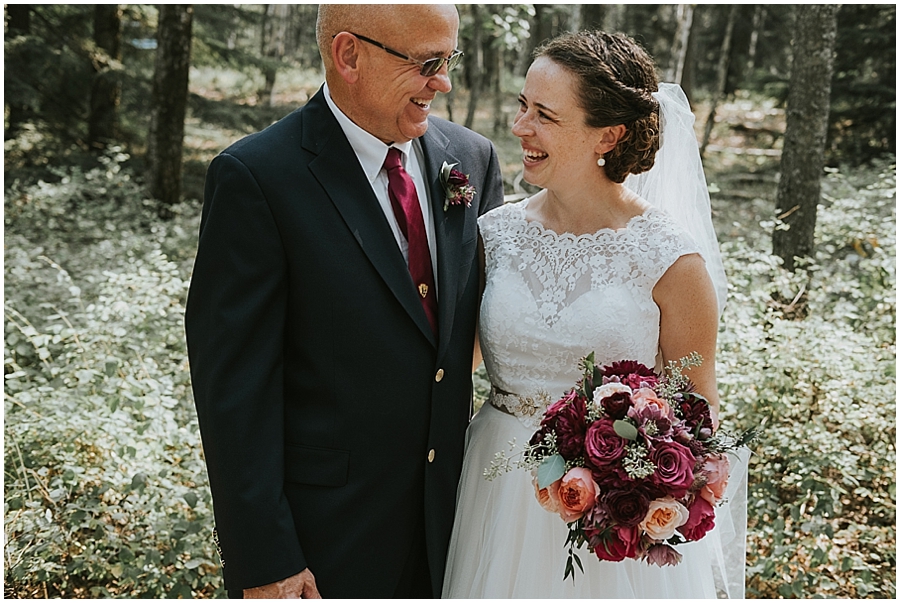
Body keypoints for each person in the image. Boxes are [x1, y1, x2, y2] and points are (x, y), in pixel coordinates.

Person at [184, 4, 504, 598]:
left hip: (460, 529)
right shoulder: (256, 176)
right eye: (427, 63)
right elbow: (234, 388)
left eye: (448, 59)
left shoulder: (473, 160)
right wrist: (265, 557)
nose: (444, 82)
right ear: (349, 54)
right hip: (325, 542)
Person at [442, 31, 746, 598]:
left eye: (546, 116)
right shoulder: (494, 235)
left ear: (608, 134)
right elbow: (452, 360)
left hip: (607, 513)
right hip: (495, 482)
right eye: (522, 106)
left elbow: (698, 414)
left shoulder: (669, 258)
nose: (520, 128)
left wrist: (647, 487)